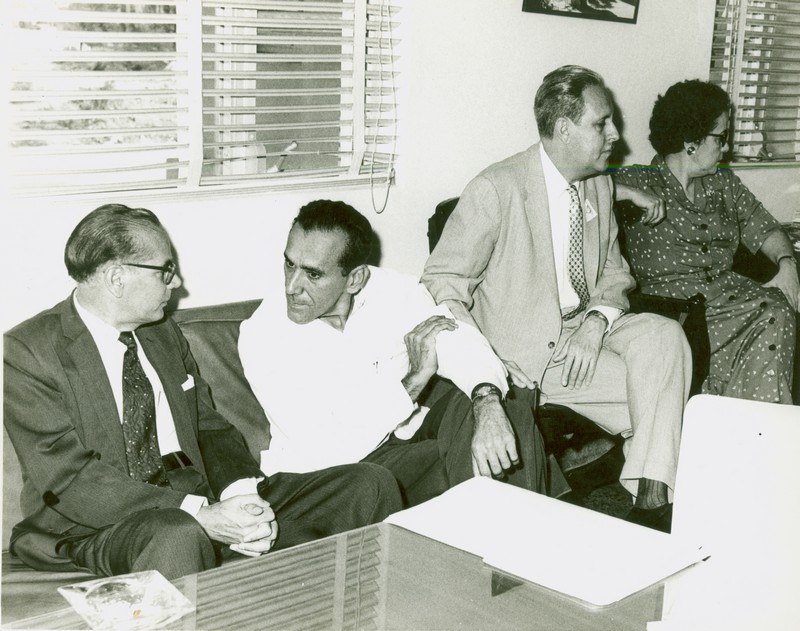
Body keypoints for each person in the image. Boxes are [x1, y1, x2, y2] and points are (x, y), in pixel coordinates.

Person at [3, 204, 401, 581]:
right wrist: (198, 515)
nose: (176, 282)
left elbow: (208, 427)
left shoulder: (161, 332)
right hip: (102, 526)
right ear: (116, 278)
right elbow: (71, 480)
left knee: (369, 483)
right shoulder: (28, 352)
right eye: (165, 271)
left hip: (200, 498)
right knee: (178, 534)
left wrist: (242, 496)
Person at [421, 65, 693, 533]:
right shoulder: (496, 189)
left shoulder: (597, 183)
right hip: (526, 353)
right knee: (663, 411)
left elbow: (614, 272)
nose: (615, 134)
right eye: (601, 123)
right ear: (564, 129)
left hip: (583, 332)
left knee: (665, 336)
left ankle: (650, 497)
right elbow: (441, 282)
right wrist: (483, 362)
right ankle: (652, 496)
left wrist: (595, 323)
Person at [238, 199, 549, 508]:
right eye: (289, 264)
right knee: (389, 476)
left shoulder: (392, 291)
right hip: (330, 478)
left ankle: (505, 531)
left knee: (503, 412)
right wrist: (413, 382)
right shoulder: (263, 335)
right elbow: (329, 447)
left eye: (313, 274)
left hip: (399, 442)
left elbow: (452, 337)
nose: (292, 286)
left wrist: (486, 398)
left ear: (355, 279)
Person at [613, 79, 798, 404]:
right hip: (674, 313)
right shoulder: (637, 181)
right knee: (773, 313)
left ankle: (742, 424)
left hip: (730, 300)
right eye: (721, 137)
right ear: (691, 141)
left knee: (778, 308)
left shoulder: (724, 183)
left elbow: (766, 228)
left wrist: (787, 264)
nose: (725, 148)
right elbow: (578, 190)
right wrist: (626, 193)